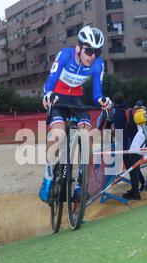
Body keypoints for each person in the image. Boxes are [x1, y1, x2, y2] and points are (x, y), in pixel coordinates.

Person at [39, 26, 112, 203]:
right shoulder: (65, 55)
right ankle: (48, 177)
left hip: (77, 100)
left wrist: (103, 101)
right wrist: (47, 94)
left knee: (87, 135)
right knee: (57, 134)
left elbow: (97, 94)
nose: (92, 56)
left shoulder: (98, 64)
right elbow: (49, 82)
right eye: (89, 51)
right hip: (58, 96)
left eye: (97, 52)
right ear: (78, 48)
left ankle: (81, 181)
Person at [111, 93, 146, 200]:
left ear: (115, 102)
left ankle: (135, 192)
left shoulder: (118, 113)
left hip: (127, 144)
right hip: (136, 142)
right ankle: (140, 185)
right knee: (136, 166)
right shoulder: (129, 110)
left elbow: (118, 131)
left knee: (132, 168)